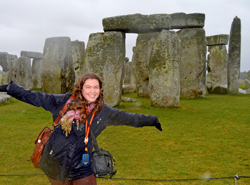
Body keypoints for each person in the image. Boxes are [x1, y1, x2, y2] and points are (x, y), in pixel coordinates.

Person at [0, 72, 162, 185]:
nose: (92, 91)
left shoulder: (104, 112)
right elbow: (36, 97)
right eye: (88, 87)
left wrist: (153, 120)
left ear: (100, 90)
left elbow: (130, 118)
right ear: (81, 88)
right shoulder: (64, 101)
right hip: (55, 162)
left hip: (82, 165)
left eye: (96, 87)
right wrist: (10, 88)